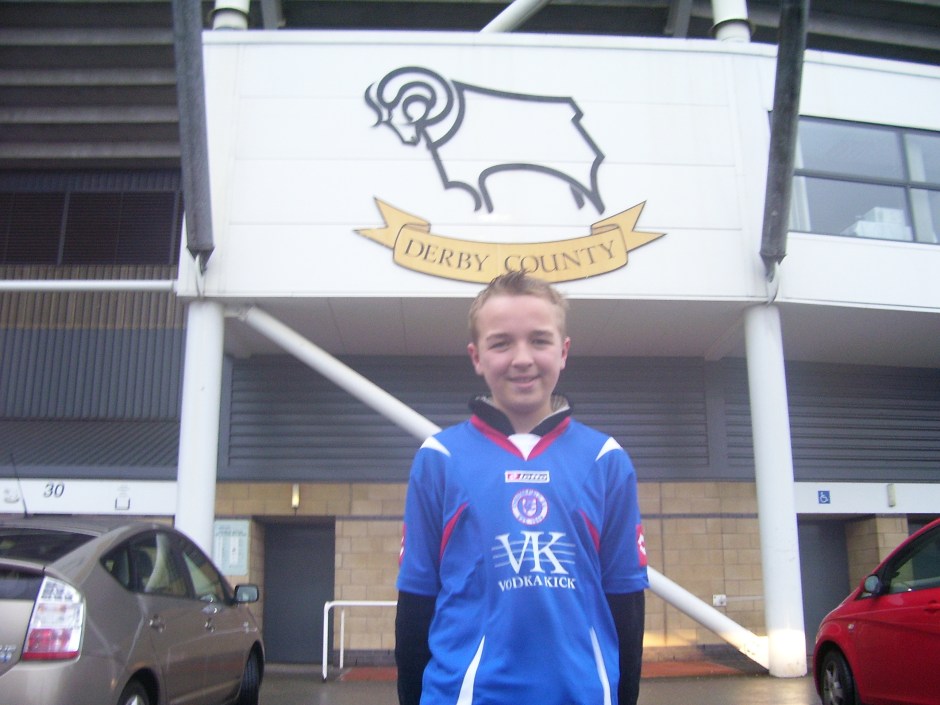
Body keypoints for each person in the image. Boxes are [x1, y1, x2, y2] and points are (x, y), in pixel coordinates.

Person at [395, 270, 649, 705]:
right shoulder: (440, 457)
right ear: (476, 357)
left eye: (539, 340)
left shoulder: (606, 459)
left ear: (563, 351)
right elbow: (417, 602)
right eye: (501, 343)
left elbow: (625, 602)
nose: (522, 358)